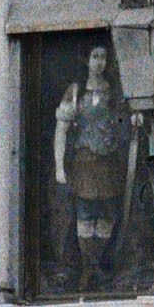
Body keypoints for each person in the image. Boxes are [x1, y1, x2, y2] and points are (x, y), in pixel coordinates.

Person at [54, 43, 131, 292]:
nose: (99, 62)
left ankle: (98, 265)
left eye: (103, 57)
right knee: (86, 212)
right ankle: (88, 267)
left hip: (109, 163)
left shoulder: (115, 93)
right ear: (86, 60)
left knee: (107, 212)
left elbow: (123, 123)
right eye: (94, 56)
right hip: (85, 163)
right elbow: (61, 130)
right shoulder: (75, 92)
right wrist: (59, 167)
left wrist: (132, 119)